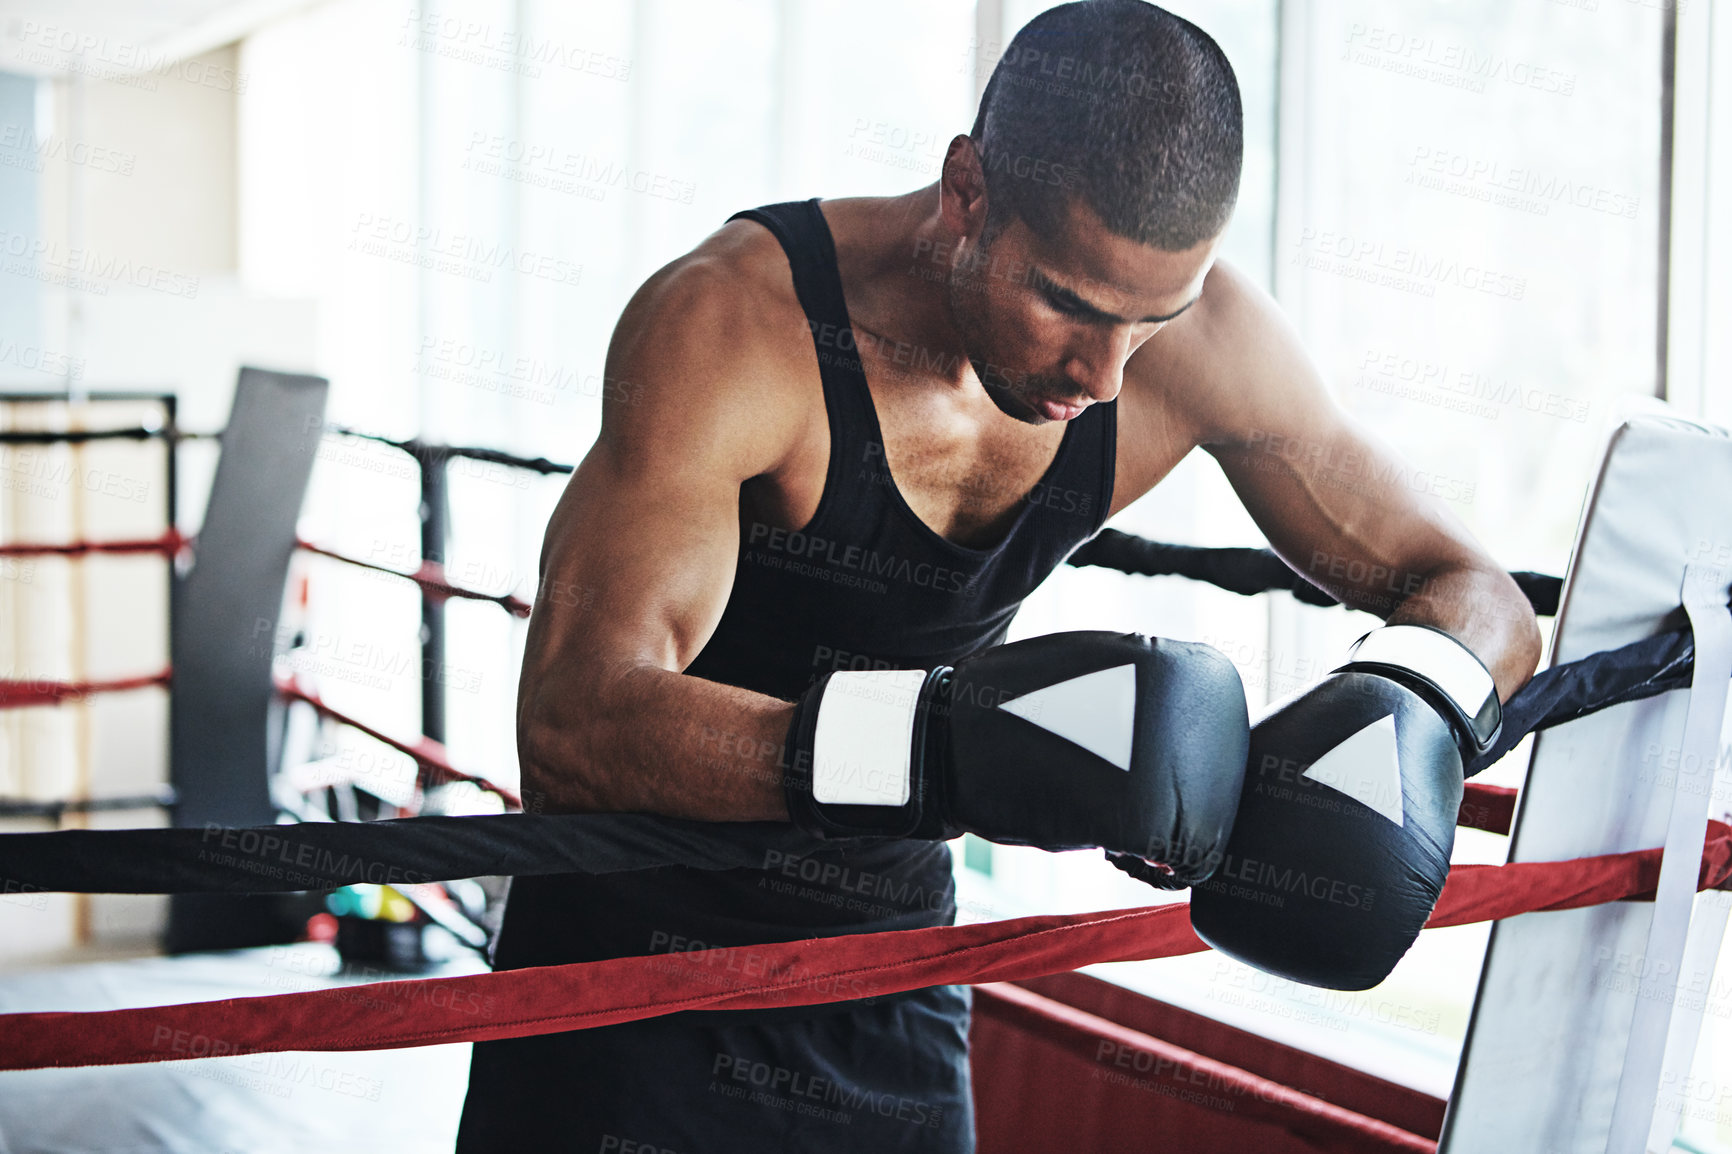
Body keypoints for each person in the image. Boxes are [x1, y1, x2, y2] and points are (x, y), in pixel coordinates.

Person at [455, 1, 1542, 1149]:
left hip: (890, 962)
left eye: (1150, 319)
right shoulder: (736, 324)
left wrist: (1412, 707)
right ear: (968, 190)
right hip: (626, 965)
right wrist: (947, 748)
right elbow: (576, 722)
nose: (1106, 374)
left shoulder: (1204, 345)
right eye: (1068, 302)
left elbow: (1478, 594)